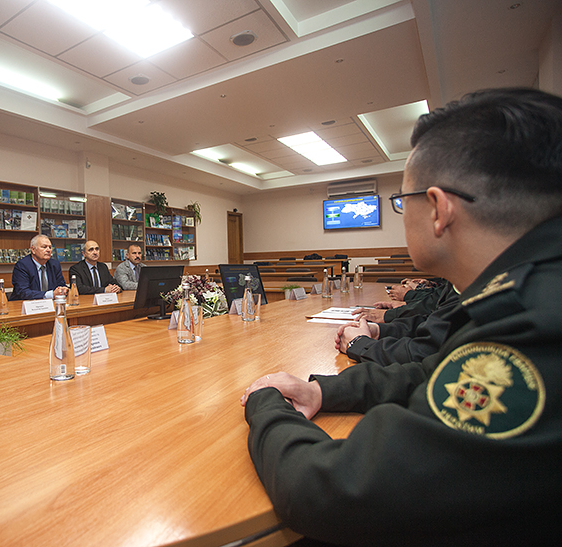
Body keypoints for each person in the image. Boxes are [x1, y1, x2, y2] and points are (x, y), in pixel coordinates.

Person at [240, 88, 562, 545]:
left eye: (401, 200)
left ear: (438, 209)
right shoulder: (532, 289)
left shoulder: (532, 325)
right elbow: (432, 372)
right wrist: (320, 390)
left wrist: (265, 402)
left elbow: (331, 493)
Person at [12, 235, 68, 300]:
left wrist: (64, 289)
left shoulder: (54, 265)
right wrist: (51, 294)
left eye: (50, 247)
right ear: (33, 250)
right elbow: (23, 292)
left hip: (50, 304)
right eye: (44, 247)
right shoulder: (22, 265)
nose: (48, 250)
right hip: (24, 304)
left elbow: (61, 285)